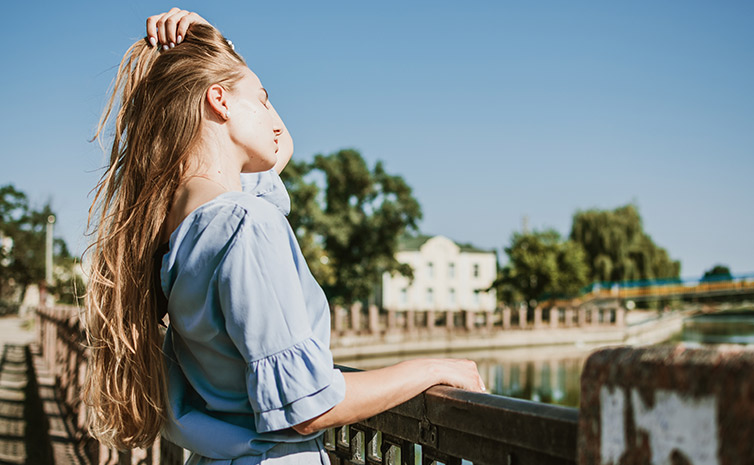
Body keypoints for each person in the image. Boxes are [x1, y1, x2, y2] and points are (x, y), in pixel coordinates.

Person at [83, 8, 484, 464]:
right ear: (219, 101)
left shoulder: (179, 224)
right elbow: (307, 408)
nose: (275, 117)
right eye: (264, 97)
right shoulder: (244, 224)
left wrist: (219, 47)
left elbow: (279, 145)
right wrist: (436, 367)